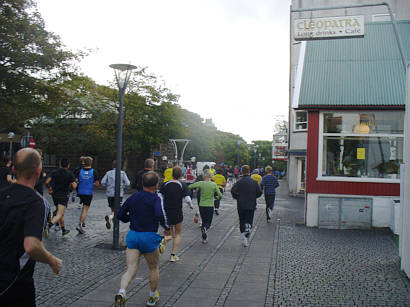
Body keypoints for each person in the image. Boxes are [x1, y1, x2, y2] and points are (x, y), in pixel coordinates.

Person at [0, 148, 62, 306]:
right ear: (38, 170)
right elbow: (31, 245)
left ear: (13, 169)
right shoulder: (37, 203)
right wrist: (52, 260)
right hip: (14, 284)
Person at [115, 172, 170, 307]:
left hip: (133, 236)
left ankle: (122, 292)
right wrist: (166, 227)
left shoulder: (133, 197)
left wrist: (130, 218)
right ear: (156, 185)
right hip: (148, 238)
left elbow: (120, 214)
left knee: (130, 269)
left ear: (142, 183)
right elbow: (159, 213)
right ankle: (152, 297)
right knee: (153, 268)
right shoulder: (155, 198)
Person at [159, 166, 194, 262]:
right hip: (177, 211)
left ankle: (164, 239)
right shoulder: (182, 185)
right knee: (178, 234)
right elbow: (187, 198)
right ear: (181, 174)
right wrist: (191, 205)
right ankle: (173, 255)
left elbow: (160, 196)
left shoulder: (165, 184)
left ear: (172, 174)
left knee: (169, 232)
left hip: (166, 211)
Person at [231, 165, 262, 247]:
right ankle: (248, 226)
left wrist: (237, 197)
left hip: (241, 204)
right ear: (249, 172)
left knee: (241, 220)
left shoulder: (239, 182)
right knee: (249, 219)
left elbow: (233, 191)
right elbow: (259, 192)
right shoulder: (254, 182)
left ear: (242, 172)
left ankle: (244, 239)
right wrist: (254, 196)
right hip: (251, 204)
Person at [45, 158, 77, 236]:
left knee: (60, 213)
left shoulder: (54, 172)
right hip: (63, 195)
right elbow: (74, 185)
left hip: (55, 195)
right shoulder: (69, 174)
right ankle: (49, 225)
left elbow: (47, 181)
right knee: (59, 214)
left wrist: (49, 188)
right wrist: (72, 187)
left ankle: (63, 230)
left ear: (60, 164)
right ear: (68, 165)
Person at [188, 170, 222, 244]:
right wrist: (216, 198)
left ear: (204, 176)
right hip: (210, 205)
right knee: (208, 222)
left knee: (203, 220)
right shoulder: (214, 185)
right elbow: (220, 195)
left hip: (202, 205)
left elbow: (190, 186)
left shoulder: (201, 183)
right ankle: (205, 229)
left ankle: (204, 238)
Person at [101, 160, 131, 229]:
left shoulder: (108, 173)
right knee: (117, 210)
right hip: (119, 194)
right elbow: (128, 183)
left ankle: (115, 226)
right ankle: (110, 217)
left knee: (113, 209)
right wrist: (123, 186)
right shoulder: (122, 173)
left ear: (112, 166)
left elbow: (103, 182)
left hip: (110, 194)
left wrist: (108, 185)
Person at [75, 156, 99, 234]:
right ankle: (80, 224)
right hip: (88, 192)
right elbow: (97, 184)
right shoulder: (94, 172)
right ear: (91, 163)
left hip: (80, 192)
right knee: (85, 209)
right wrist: (91, 183)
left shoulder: (79, 171)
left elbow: (76, 181)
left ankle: (82, 222)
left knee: (83, 207)